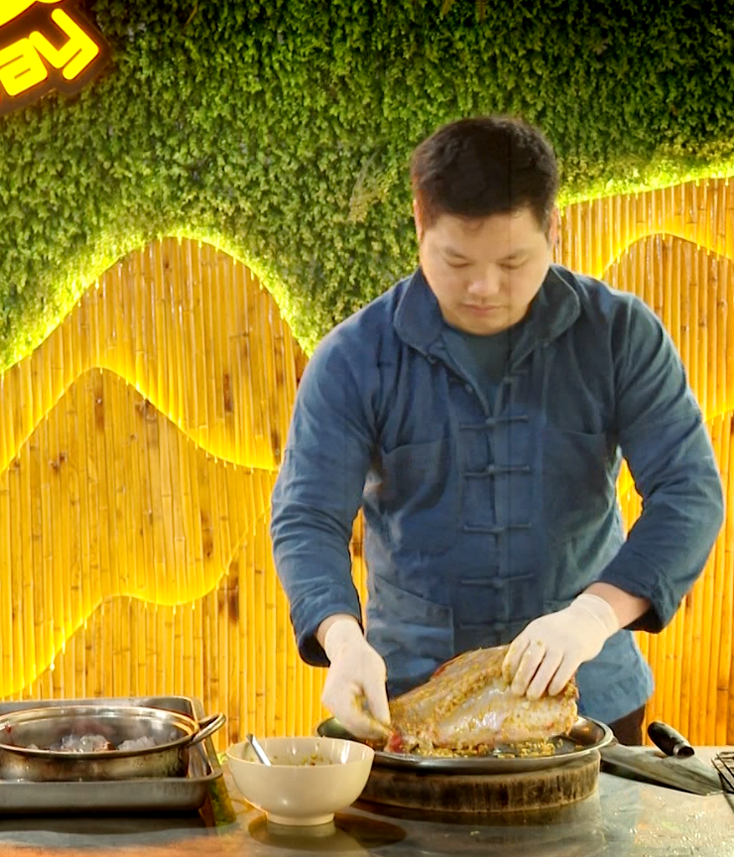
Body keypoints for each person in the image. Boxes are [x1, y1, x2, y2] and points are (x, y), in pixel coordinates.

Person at [270, 116, 725, 746]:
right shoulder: (354, 357)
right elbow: (308, 518)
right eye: (456, 260)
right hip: (407, 702)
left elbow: (688, 493)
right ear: (418, 225)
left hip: (589, 695)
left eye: (513, 261)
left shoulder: (621, 336)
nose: (484, 288)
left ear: (553, 230)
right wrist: (343, 640)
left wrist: (593, 616)